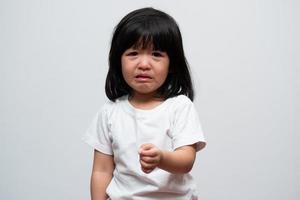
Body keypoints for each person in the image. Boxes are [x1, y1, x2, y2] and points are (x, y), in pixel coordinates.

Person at [82, 7, 206, 200]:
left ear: (172, 64)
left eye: (156, 54)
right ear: (118, 61)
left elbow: (186, 160)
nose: (144, 64)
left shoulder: (179, 107)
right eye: (133, 53)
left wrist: (161, 158)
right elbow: (102, 171)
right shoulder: (109, 113)